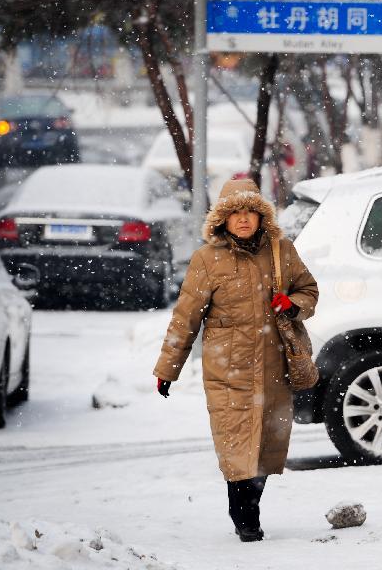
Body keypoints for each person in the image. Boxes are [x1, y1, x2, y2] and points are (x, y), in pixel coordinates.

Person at [152, 179, 318, 542]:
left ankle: (249, 506)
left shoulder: (281, 251)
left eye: (250, 212)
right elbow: (186, 318)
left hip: (274, 369)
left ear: (261, 217)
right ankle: (244, 517)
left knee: (264, 450)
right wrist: (168, 369)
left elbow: (309, 290)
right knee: (236, 447)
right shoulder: (207, 260)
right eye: (235, 213)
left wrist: (293, 305)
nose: (243, 220)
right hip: (228, 372)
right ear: (223, 219)